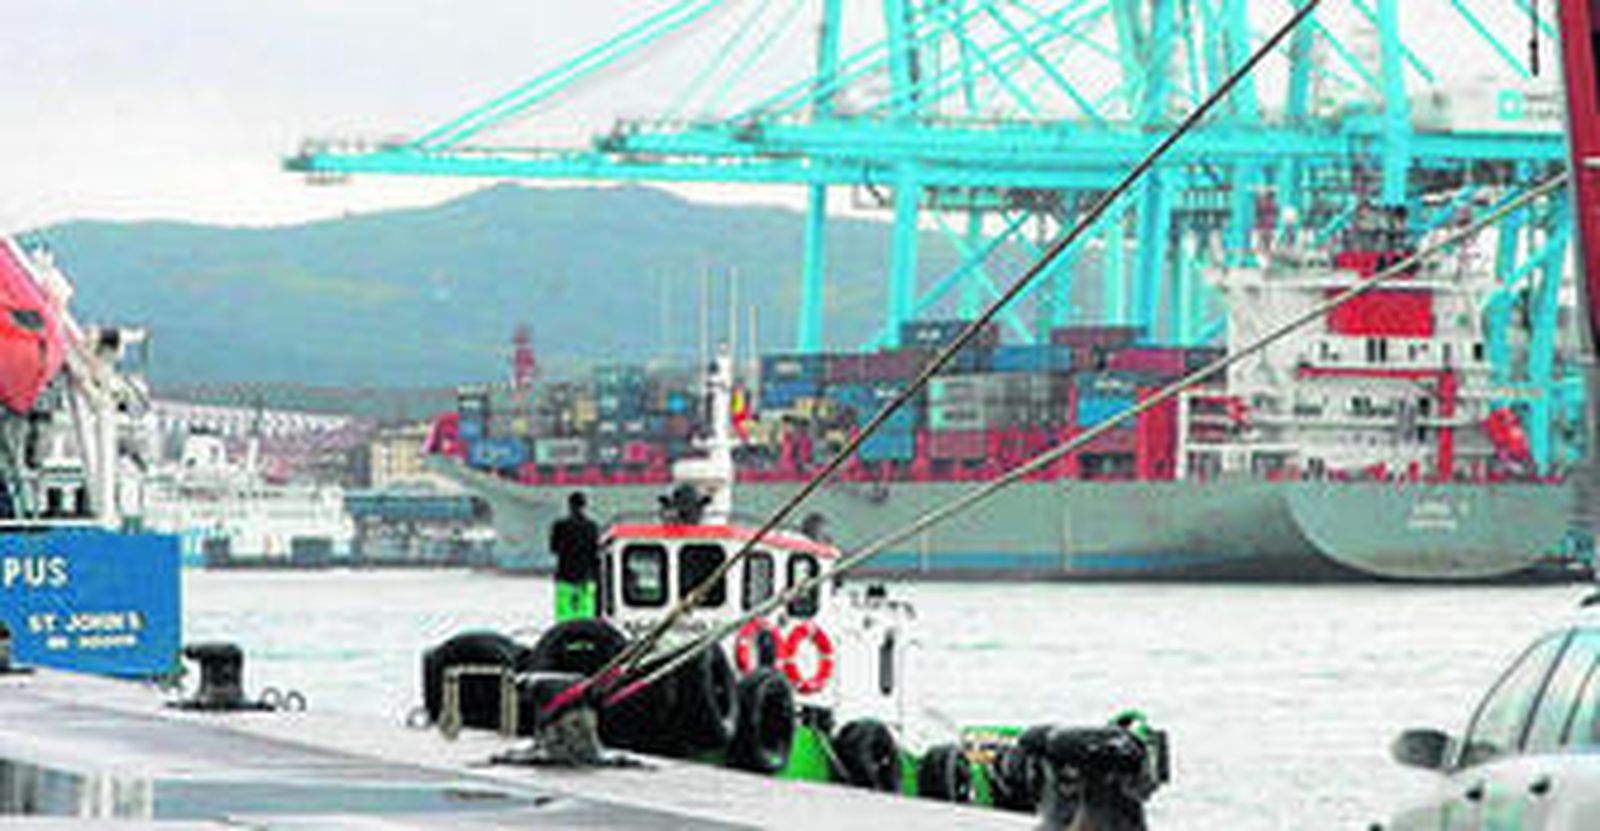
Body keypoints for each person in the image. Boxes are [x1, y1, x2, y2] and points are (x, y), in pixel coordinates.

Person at [549, 492, 600, 622]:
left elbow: (553, 549)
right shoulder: (592, 527)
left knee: (564, 618)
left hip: (565, 577)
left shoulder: (559, 526)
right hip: (586, 578)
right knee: (586, 617)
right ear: (584, 506)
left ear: (569, 505)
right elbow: (594, 551)